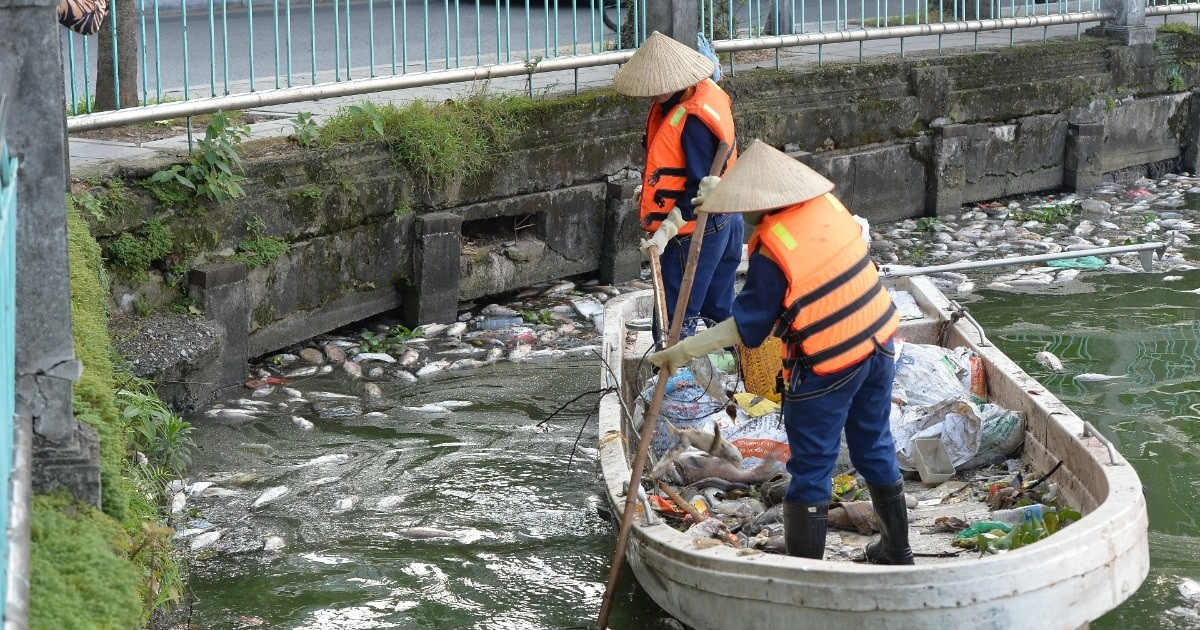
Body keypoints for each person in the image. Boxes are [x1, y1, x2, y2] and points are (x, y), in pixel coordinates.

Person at [647, 140, 912, 564]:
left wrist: (681, 350)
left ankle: (805, 570)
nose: (739, 211)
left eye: (740, 203)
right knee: (873, 445)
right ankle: (897, 551)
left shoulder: (773, 249)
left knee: (812, 466)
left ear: (759, 204)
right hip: (879, 342)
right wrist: (719, 188)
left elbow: (748, 328)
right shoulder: (826, 205)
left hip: (829, 364)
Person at [612, 31, 744, 338]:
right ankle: (734, 361)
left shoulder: (694, 121)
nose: (652, 94)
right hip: (727, 217)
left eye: (658, 88)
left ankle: (674, 382)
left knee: (673, 320)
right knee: (718, 308)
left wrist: (666, 230)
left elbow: (699, 190)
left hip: (699, 228)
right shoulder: (698, 92)